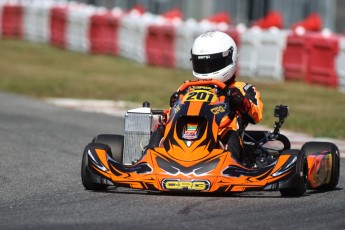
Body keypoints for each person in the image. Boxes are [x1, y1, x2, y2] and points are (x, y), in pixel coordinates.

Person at [170, 31, 264, 164]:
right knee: (163, 125)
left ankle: (230, 166)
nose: (207, 70)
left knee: (230, 133)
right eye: (202, 65)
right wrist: (175, 102)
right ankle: (150, 158)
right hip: (185, 134)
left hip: (221, 138)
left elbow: (257, 115)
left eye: (213, 64)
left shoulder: (242, 89)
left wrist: (242, 102)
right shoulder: (187, 87)